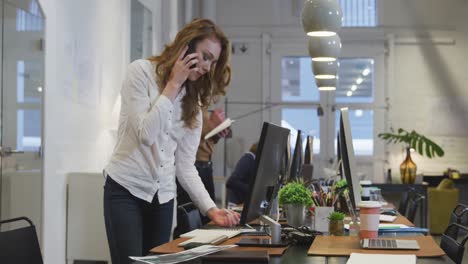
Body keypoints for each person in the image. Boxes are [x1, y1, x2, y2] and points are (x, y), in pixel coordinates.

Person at [103, 18, 240, 264]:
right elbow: (146, 134)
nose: (208, 67)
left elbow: (185, 166)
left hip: (163, 198)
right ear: (185, 47)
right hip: (125, 190)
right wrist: (174, 84)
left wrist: (212, 210)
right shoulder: (140, 72)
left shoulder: (194, 103)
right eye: (206, 57)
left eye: (214, 61)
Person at [175, 107, 229, 225]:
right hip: (193, 163)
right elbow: (188, 133)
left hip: (205, 163)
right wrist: (210, 125)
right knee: (188, 218)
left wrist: (216, 134)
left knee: (207, 219)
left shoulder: (204, 102)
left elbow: (206, 140)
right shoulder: (193, 102)